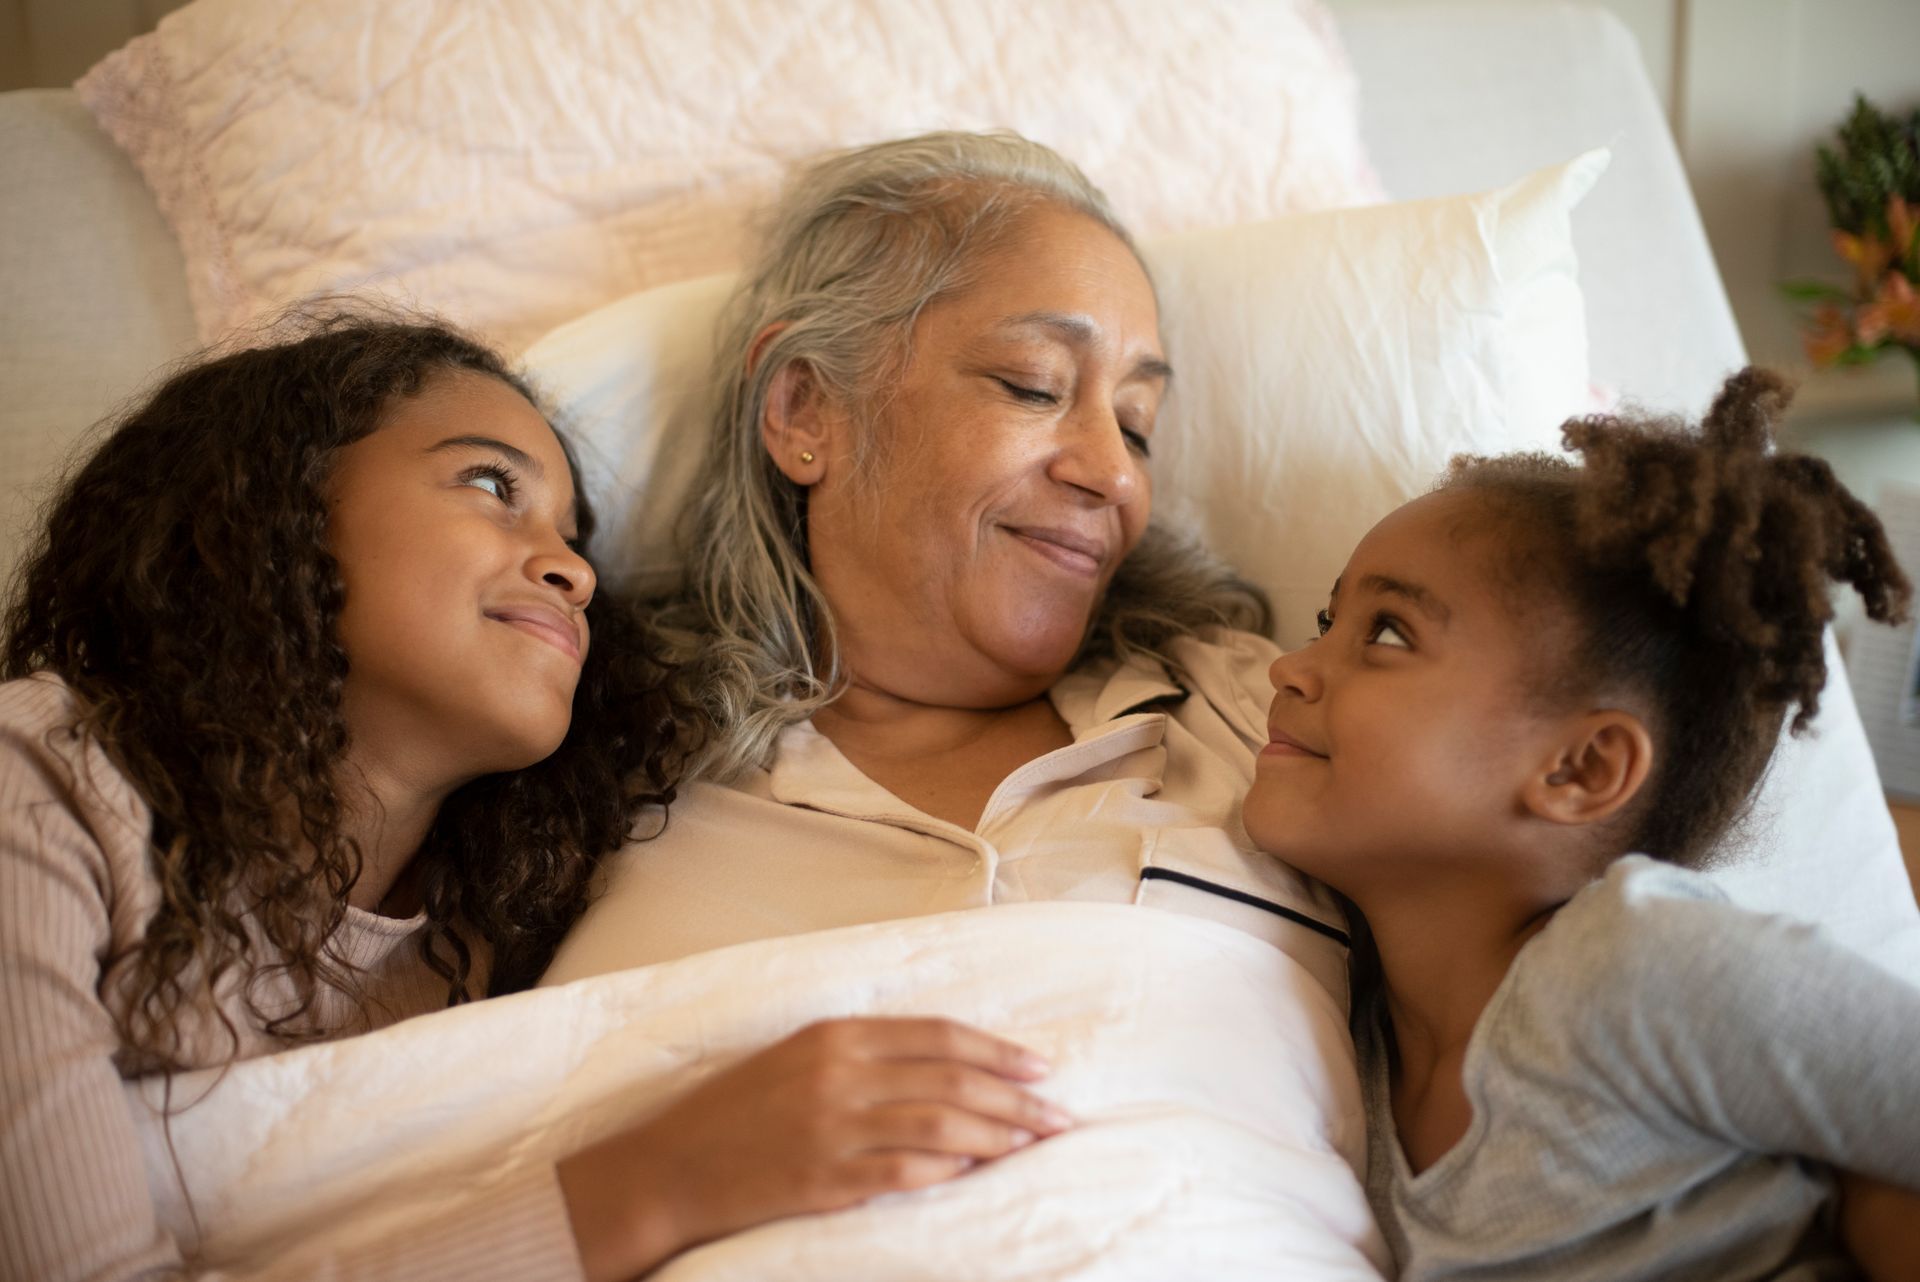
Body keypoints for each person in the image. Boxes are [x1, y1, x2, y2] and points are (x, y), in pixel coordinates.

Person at [0, 314, 1063, 1282]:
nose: (572, 571)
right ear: (268, 506)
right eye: (491, 486)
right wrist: (664, 1180)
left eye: (575, 536)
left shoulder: (502, 926)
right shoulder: (40, 790)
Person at [543, 127, 1353, 1272]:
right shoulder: (585, 763)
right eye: (1034, 385)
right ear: (805, 411)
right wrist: (653, 1182)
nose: (1116, 475)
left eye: (1136, 423)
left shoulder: (1263, 714)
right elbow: (325, 1158)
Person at [1241, 367, 1920, 1280]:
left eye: (1388, 633)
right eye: (1327, 620)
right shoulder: (1340, 1058)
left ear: (1580, 769)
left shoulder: (1637, 963)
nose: (1290, 666)